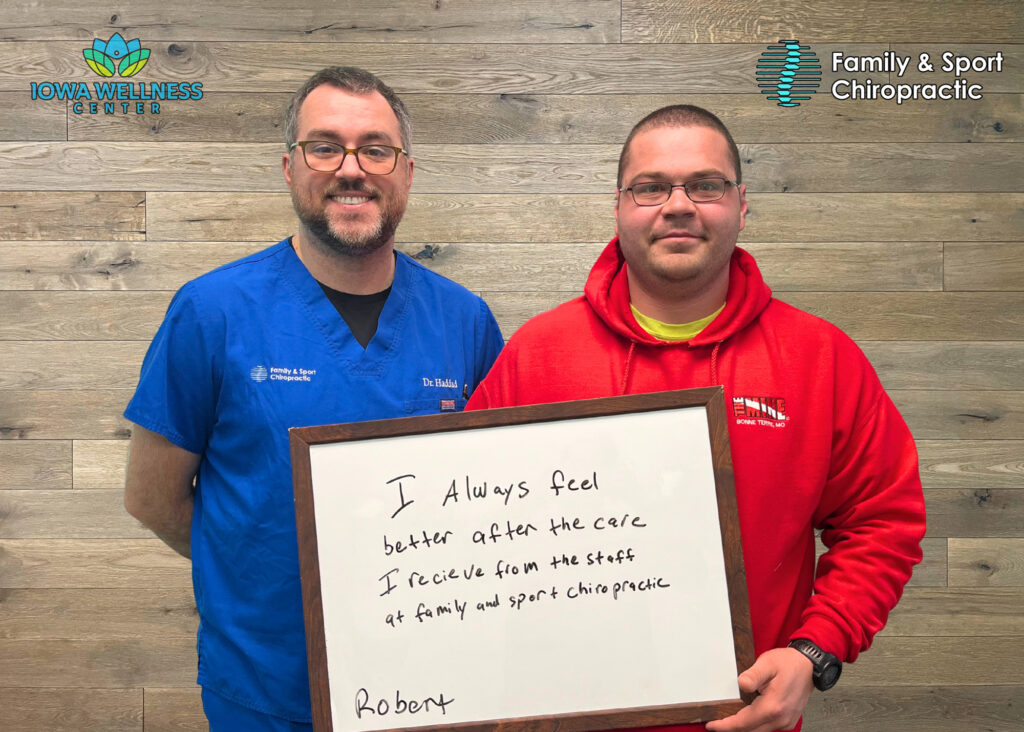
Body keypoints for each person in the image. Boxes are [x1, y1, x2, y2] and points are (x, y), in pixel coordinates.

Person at [466, 105, 925, 732]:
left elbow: (882, 522)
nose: (678, 205)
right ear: (619, 206)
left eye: (706, 185)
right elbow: (468, 525)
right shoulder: (537, 354)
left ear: (742, 204)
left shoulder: (820, 358)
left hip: (742, 719)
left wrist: (814, 650)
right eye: (651, 187)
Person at [123, 66, 504, 731]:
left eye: (376, 149)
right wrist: (259, 567)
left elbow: (498, 501)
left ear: (407, 172)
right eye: (325, 147)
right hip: (266, 689)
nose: (351, 169)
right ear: (289, 167)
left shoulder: (465, 321)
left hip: (432, 684)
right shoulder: (211, 311)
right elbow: (152, 497)